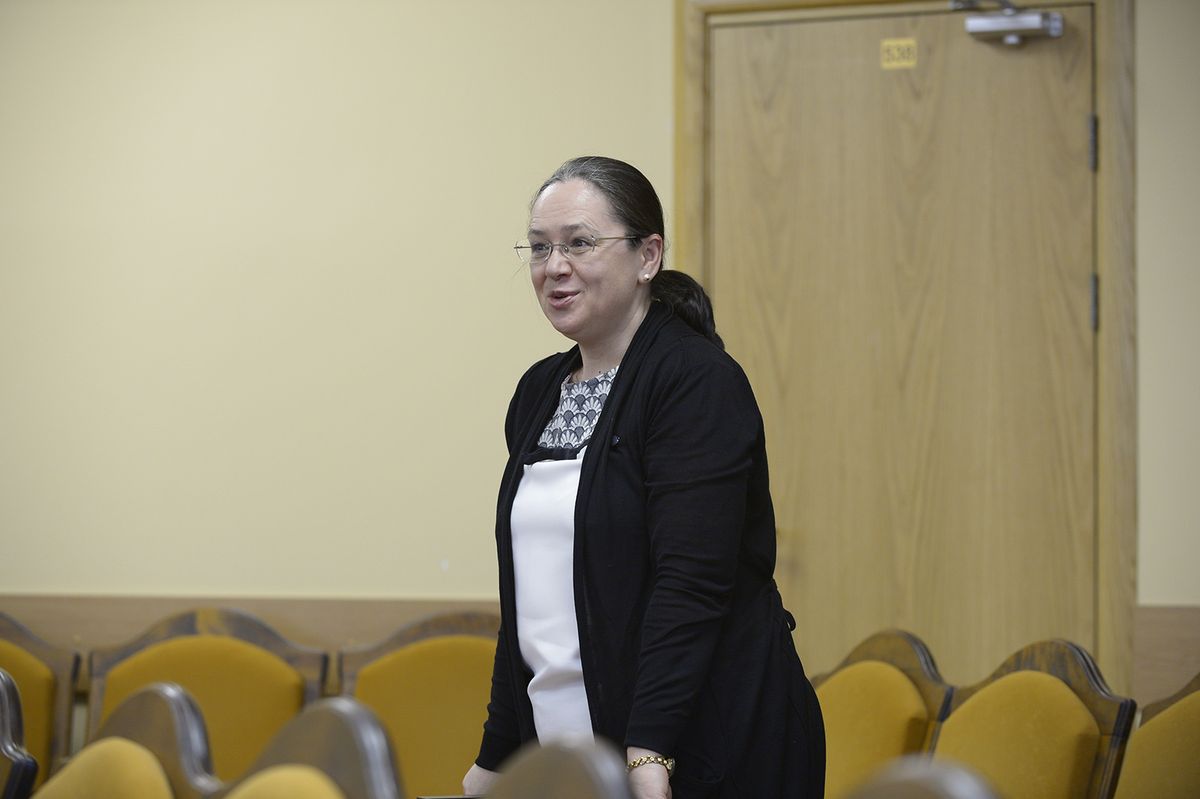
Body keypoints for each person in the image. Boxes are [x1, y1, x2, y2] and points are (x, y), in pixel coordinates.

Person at [463, 156, 825, 799]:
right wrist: (496, 754)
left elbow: (692, 582)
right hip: (570, 749)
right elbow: (528, 600)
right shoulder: (539, 390)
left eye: (579, 243)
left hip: (701, 749)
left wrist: (649, 750)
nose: (554, 267)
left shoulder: (695, 381)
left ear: (648, 256)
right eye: (539, 248)